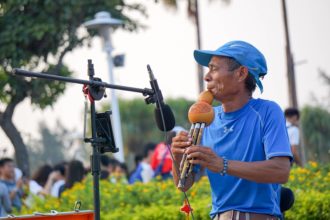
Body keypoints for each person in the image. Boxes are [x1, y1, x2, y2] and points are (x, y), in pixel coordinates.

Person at [171, 41, 292, 220]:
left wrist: (222, 164)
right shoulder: (204, 118)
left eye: (213, 69)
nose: (206, 77)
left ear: (241, 73)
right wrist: (177, 158)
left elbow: (281, 171)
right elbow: (184, 184)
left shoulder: (267, 111)